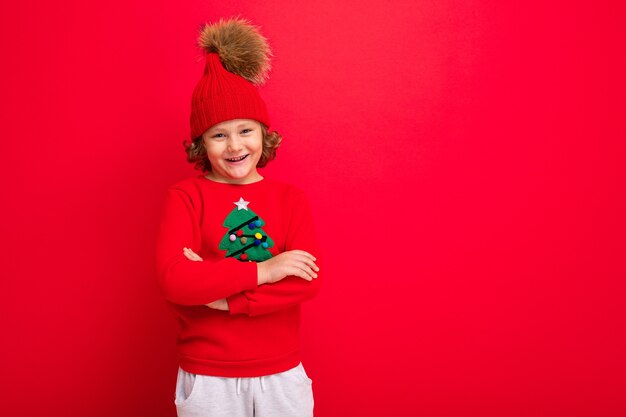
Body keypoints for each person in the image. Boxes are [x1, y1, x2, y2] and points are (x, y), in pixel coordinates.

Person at [155, 16, 322, 417]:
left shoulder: (289, 198)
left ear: (263, 134)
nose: (235, 145)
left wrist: (224, 298)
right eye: (218, 134)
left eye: (245, 130)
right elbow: (175, 280)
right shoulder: (185, 196)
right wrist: (267, 270)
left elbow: (305, 282)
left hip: (280, 372)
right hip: (208, 374)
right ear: (201, 144)